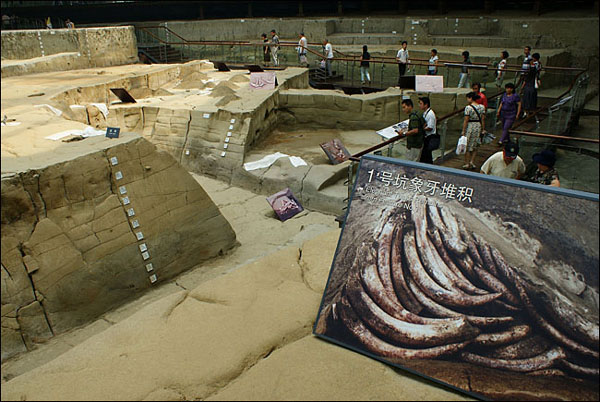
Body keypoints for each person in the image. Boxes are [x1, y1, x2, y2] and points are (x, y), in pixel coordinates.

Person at [461, 92, 486, 169]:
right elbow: (483, 119)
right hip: (478, 125)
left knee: (467, 145)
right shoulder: (482, 107)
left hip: (470, 126)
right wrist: (483, 129)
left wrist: (463, 130)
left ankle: (467, 162)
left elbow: (466, 120)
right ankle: (472, 161)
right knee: (475, 144)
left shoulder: (468, 108)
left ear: (470, 98)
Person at [418, 97, 437, 164]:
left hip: (430, 137)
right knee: (425, 155)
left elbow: (430, 127)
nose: (419, 105)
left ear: (426, 105)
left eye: (421, 104)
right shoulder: (425, 113)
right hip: (426, 137)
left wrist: (421, 130)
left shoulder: (430, 114)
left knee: (427, 155)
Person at [521, 54, 539, 122]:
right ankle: (528, 113)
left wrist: (522, 87)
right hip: (530, 86)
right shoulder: (532, 69)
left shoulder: (531, 70)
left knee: (528, 100)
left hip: (529, 86)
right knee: (529, 100)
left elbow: (526, 79)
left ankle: (528, 114)